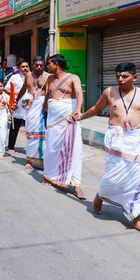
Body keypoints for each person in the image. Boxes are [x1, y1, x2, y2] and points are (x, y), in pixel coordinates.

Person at [79, 62, 140, 236]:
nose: (120, 79)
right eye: (117, 76)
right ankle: (100, 196)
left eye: (124, 76)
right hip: (116, 139)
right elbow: (96, 109)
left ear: (135, 76)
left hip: (138, 140)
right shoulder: (109, 92)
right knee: (113, 176)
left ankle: (136, 220)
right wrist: (80, 116)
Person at [41, 54, 85, 199]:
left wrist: (77, 110)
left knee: (74, 149)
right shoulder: (49, 78)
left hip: (69, 116)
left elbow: (79, 94)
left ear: (56, 64)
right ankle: (48, 175)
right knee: (51, 146)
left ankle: (76, 185)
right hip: (53, 118)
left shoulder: (73, 78)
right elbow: (48, 95)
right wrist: (44, 107)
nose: (47, 66)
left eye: (49, 64)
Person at [18, 56, 49, 169]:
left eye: (41, 65)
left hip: (43, 107)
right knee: (30, 132)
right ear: (33, 65)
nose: (39, 67)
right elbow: (23, 89)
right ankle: (29, 159)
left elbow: (51, 92)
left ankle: (43, 159)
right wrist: (16, 101)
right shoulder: (28, 75)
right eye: (36, 65)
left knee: (43, 134)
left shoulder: (48, 76)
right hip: (31, 108)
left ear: (44, 65)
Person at [5, 59, 31, 152]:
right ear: (19, 68)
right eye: (23, 67)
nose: (25, 68)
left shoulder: (33, 76)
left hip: (30, 105)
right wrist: (18, 93)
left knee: (30, 127)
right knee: (15, 127)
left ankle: (31, 148)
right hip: (18, 105)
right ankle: (11, 146)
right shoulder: (14, 77)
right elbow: (6, 89)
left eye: (27, 66)